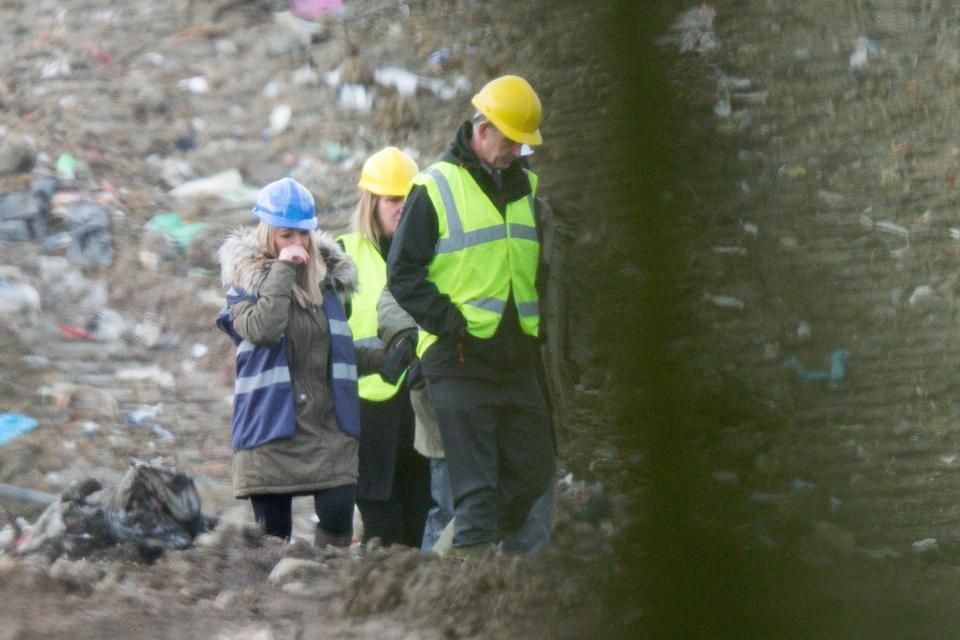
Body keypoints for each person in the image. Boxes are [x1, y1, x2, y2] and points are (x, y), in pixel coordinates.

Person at [386, 75, 556, 555]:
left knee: (533, 473)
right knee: (476, 493)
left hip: (516, 361)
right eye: (510, 140)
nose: (516, 151)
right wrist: (450, 323)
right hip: (458, 361)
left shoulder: (527, 191)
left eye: (523, 144)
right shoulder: (435, 187)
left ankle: (446, 560)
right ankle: (467, 594)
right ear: (482, 129)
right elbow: (403, 274)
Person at [216, 177, 381, 547]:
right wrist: (283, 271)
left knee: (339, 516)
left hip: (325, 428)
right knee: (272, 539)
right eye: (286, 235)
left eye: (303, 235)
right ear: (268, 233)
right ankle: (276, 597)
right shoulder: (243, 289)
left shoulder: (327, 287)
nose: (297, 244)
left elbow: (332, 351)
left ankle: (323, 587)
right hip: (270, 427)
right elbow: (264, 329)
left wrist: (386, 359)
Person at [377, 286, 555, 555]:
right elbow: (399, 286)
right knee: (453, 514)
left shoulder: (539, 246)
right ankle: (433, 587)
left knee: (531, 523)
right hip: (454, 396)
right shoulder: (449, 245)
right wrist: (407, 338)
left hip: (526, 398)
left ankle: (518, 593)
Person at [338, 147, 432, 547]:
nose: (402, 208)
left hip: (421, 409)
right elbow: (328, 343)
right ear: (371, 203)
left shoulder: (433, 252)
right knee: (382, 532)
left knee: (421, 524)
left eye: (409, 199)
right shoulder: (342, 256)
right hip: (368, 417)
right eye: (394, 199)